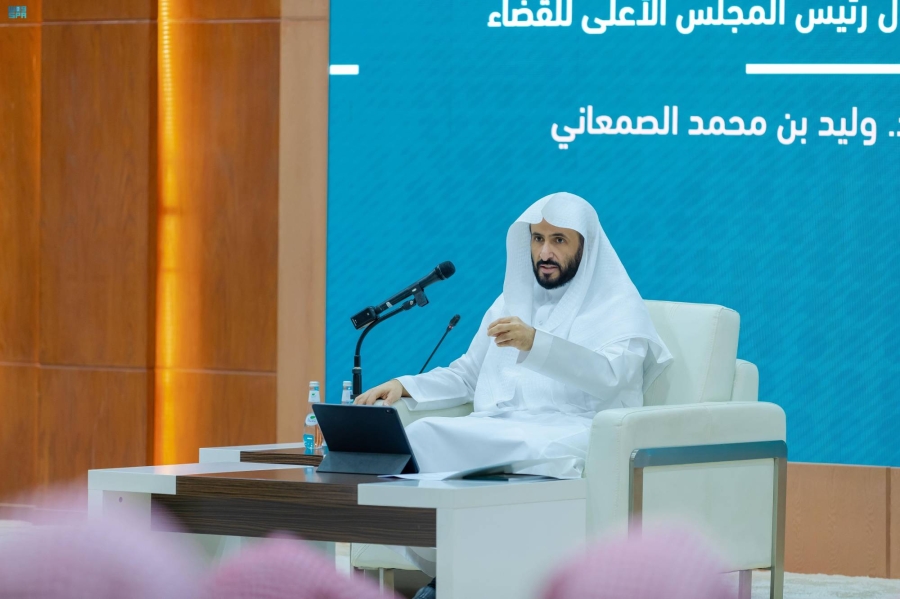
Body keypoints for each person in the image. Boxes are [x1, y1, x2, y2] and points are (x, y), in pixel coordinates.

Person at [354, 192, 673, 597]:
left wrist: (536, 343)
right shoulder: (511, 300)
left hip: (574, 428)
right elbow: (468, 374)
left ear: (586, 247)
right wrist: (407, 385)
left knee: (529, 451)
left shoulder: (618, 306)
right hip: (503, 423)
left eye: (559, 240)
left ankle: (475, 582)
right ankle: (452, 573)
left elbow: (612, 376)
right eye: (538, 239)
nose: (545, 252)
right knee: (422, 435)